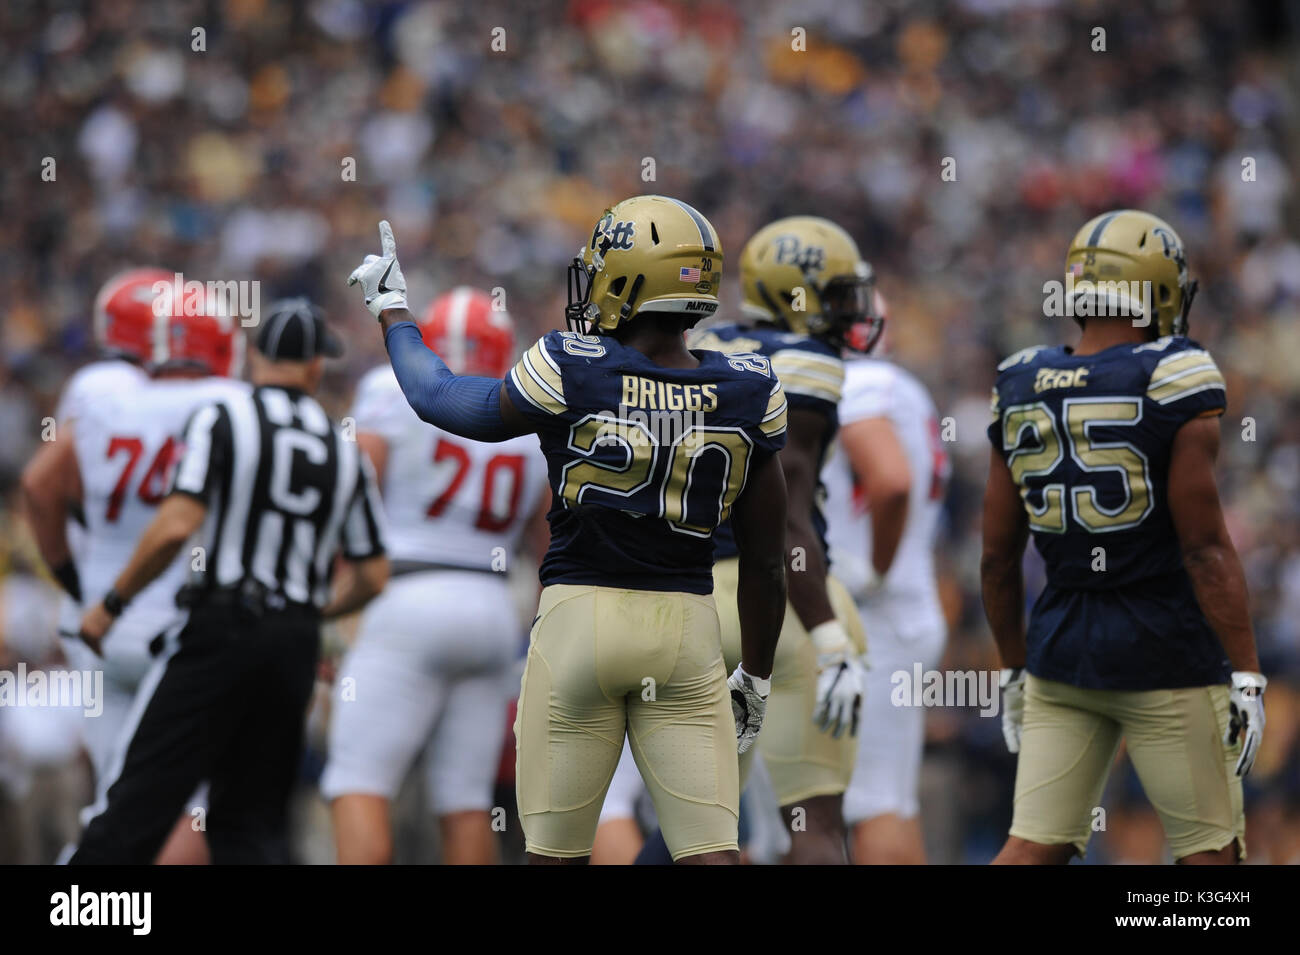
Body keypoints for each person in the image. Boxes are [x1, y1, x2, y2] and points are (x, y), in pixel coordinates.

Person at [346, 199, 789, 864]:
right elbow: (765, 561)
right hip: (688, 633)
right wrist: (755, 673)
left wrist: (394, 311)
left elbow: (439, 397)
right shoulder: (750, 388)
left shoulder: (569, 364)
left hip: (580, 623)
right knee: (712, 853)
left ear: (629, 280)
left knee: (554, 855)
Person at [982, 209, 1266, 865]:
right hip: (1165, 650)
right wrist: (1247, 668)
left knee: (1030, 848)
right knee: (1210, 859)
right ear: (1157, 291)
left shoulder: (1020, 381)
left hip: (1061, 651)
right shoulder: (1174, 374)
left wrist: (1013, 670)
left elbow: (997, 556)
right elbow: (1203, 546)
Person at [70, 299, 389, 864]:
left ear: (256, 355)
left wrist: (112, 603)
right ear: (316, 367)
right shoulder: (344, 450)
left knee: (137, 803)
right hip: (293, 646)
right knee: (251, 826)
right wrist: (313, 614)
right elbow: (372, 574)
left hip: (222, 625)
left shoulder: (224, 417)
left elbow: (176, 526)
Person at [322, 287, 549, 865]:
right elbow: (549, 539)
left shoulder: (391, 388)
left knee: (357, 779)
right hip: (492, 608)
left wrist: (329, 597)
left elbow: (351, 492)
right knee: (467, 799)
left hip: (406, 596)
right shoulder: (528, 408)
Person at [24, 278, 246, 865]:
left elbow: (39, 484)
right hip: (174, 624)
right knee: (183, 805)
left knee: (120, 793)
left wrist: (73, 576)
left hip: (96, 624)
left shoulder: (104, 394)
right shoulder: (226, 402)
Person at [687, 216, 871, 864]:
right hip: (787, 604)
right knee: (813, 822)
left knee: (702, 832)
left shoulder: (701, 345)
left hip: (693, 599)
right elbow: (788, 511)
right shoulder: (808, 362)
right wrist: (828, 633)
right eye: (839, 292)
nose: (853, 307)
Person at [821, 288, 950, 864]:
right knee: (893, 800)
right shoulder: (904, 388)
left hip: (876, 617)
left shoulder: (860, 387)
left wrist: (874, 570)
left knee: (869, 804)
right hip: (904, 613)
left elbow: (891, 482)